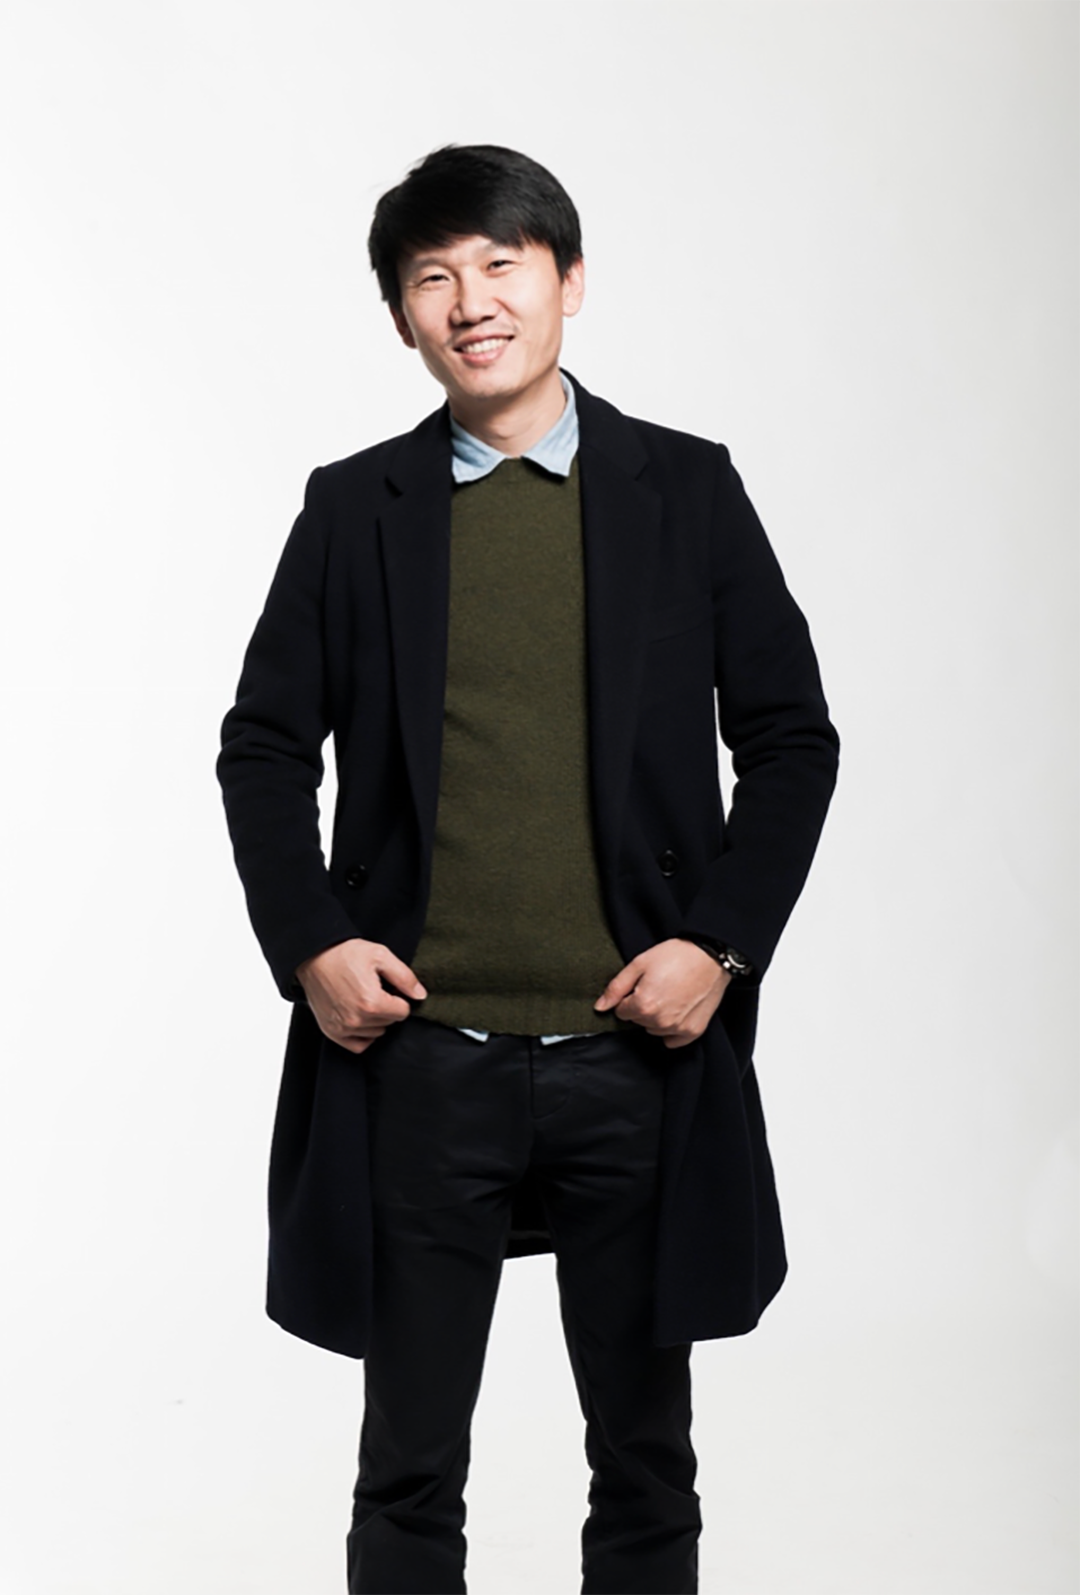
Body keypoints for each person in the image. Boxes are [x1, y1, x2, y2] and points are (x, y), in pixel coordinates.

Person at [217, 142, 839, 1595]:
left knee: (646, 1460)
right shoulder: (353, 507)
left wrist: (718, 945)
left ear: (569, 282)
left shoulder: (685, 488)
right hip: (419, 1056)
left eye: (502, 263)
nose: (471, 300)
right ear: (402, 316)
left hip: (637, 1050)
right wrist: (311, 943)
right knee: (408, 1467)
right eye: (433, 276)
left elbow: (790, 738)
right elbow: (263, 746)